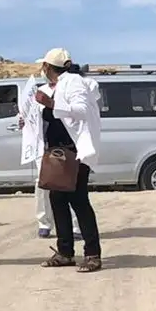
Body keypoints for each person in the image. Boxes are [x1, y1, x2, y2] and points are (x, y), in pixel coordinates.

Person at [29, 49, 103, 273]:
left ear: (48, 67)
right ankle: (65, 251)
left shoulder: (73, 82)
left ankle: (92, 253)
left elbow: (80, 110)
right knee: (57, 199)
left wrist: (51, 105)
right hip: (57, 153)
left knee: (78, 200)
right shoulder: (54, 87)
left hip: (74, 153)